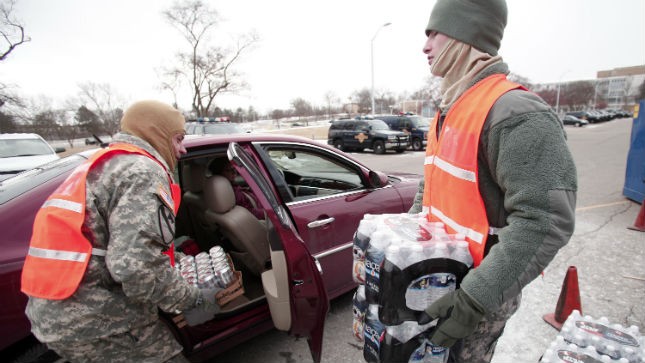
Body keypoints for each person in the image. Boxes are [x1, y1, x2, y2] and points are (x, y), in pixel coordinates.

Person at [411, 1, 578, 362]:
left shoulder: (515, 112)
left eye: (434, 33)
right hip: (435, 280)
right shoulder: (449, 108)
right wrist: (403, 238)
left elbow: (545, 221)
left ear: (465, 34)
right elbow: (432, 187)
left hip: (477, 294)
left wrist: (473, 299)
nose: (425, 46)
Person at [21, 100, 220, 363]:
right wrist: (193, 300)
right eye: (179, 138)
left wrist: (177, 264)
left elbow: (109, 242)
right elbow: (135, 267)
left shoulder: (107, 164)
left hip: (59, 310)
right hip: (99, 319)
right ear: (157, 134)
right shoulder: (143, 171)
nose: (182, 149)